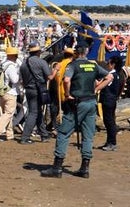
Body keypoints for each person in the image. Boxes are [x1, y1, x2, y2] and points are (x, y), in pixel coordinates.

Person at [41, 45, 113, 179]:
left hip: (77, 103)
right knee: (88, 135)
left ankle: (57, 167)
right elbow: (109, 77)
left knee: (63, 133)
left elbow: (67, 80)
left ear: (75, 53)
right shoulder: (93, 65)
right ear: (85, 52)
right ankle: (85, 168)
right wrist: (97, 89)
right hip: (91, 102)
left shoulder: (73, 65)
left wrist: (67, 94)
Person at [18, 44, 53, 144]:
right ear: (38, 52)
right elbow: (50, 77)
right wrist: (55, 70)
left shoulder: (24, 64)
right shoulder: (41, 62)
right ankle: (25, 137)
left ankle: (44, 134)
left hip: (28, 89)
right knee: (33, 113)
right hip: (38, 89)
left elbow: (21, 80)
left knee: (37, 112)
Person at [0, 45, 21, 142]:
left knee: (7, 113)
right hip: (10, 92)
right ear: (14, 55)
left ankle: (10, 134)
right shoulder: (11, 67)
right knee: (8, 113)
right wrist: (20, 76)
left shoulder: (3, 64)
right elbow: (15, 80)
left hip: (2, 92)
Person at [98, 56, 123, 151]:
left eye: (108, 63)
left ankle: (112, 142)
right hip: (112, 100)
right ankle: (110, 141)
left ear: (113, 65)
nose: (107, 65)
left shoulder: (110, 76)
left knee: (109, 122)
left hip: (107, 100)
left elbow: (101, 85)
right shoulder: (117, 75)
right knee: (110, 121)